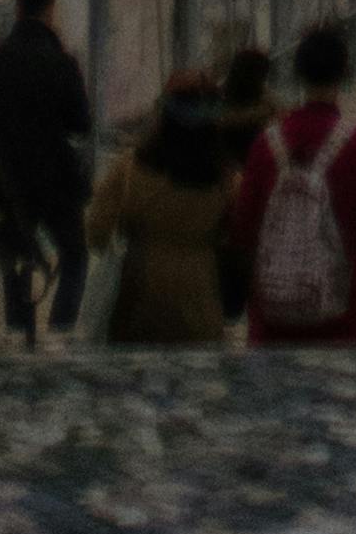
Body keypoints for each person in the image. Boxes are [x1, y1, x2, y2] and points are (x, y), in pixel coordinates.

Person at [221, 20, 356, 354]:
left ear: (298, 74)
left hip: (278, 318)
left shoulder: (267, 144)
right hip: (349, 315)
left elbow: (243, 231)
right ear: (344, 73)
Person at [81, 62, 248, 355]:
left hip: (137, 299)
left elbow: (96, 231)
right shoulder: (226, 179)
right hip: (200, 303)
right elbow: (239, 239)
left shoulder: (130, 168)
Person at [0, 0, 95, 348]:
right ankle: (60, 329)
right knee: (74, 253)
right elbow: (80, 124)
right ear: (50, 9)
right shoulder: (61, 62)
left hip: (3, 176)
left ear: (18, 7)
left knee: (16, 259)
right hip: (54, 177)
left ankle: (18, 332)